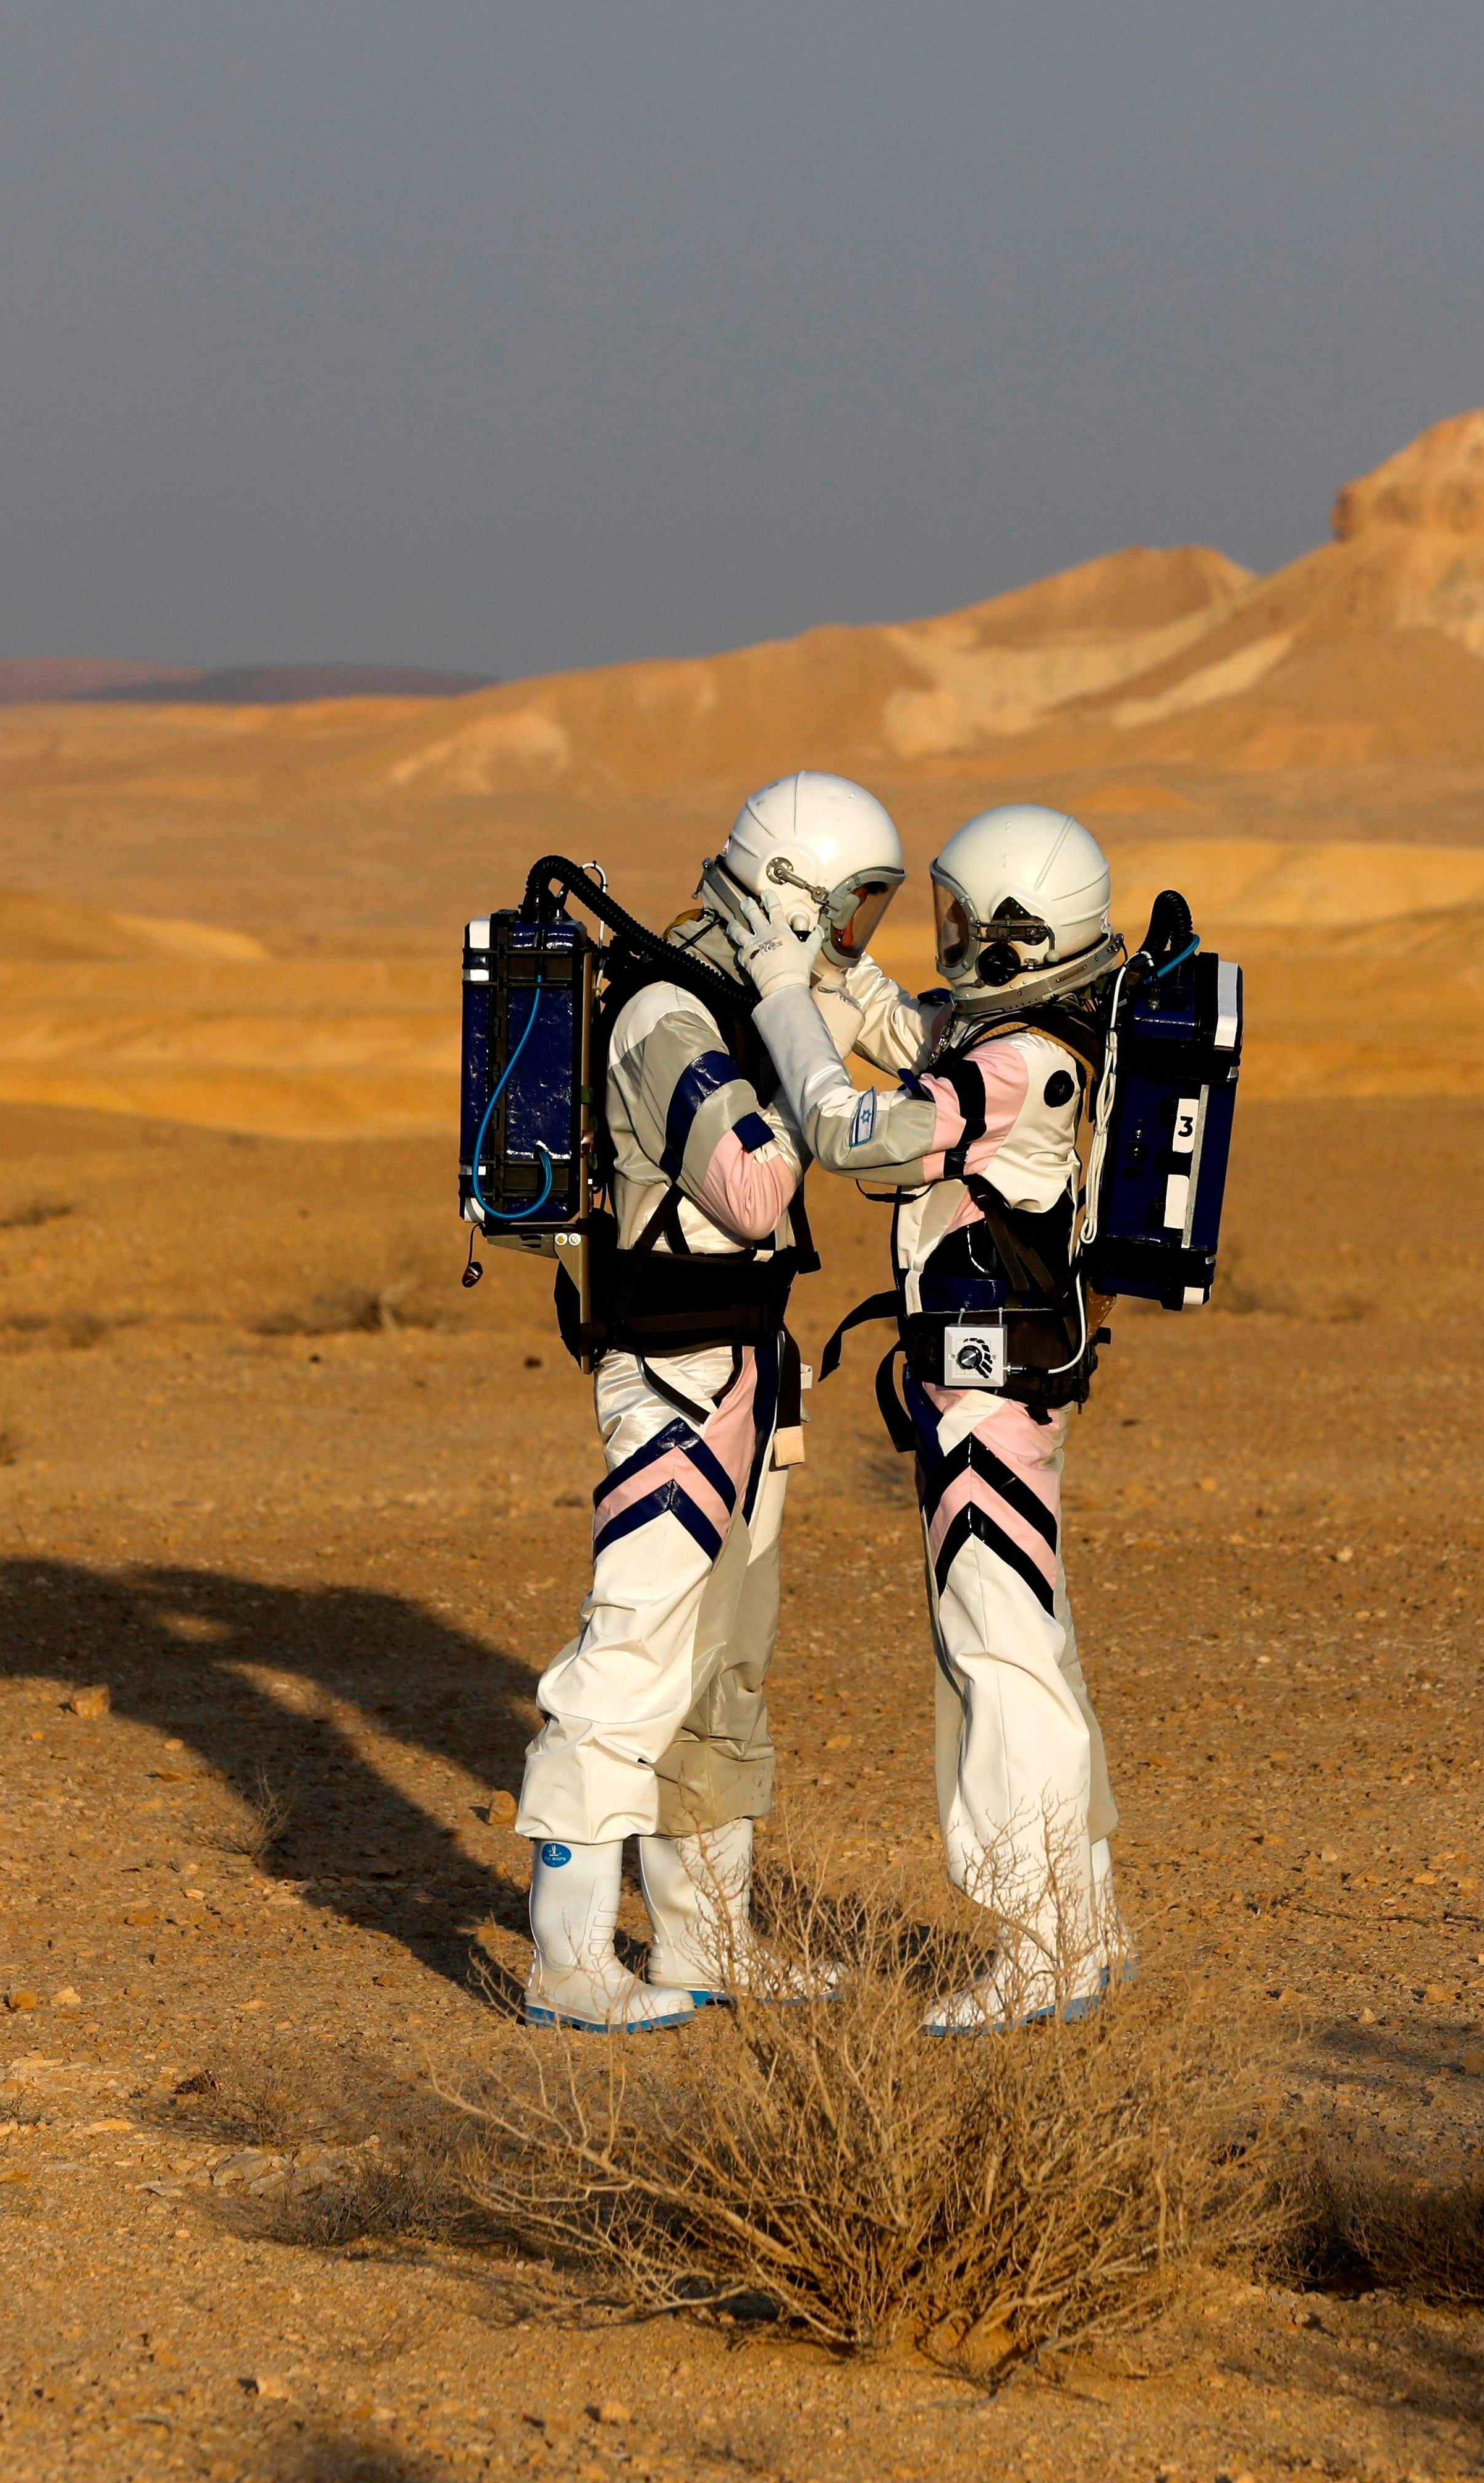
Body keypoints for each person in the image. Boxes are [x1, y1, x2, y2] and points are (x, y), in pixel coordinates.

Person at [721, 801, 1131, 2032]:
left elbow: (861, 1131)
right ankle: (1083, 1924)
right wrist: (838, 967)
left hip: (991, 1389)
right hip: (994, 1376)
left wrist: (786, 993)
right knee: (1025, 1639)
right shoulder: (1022, 1035)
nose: (947, 934)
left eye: (962, 917)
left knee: (998, 1652)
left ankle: (1043, 1940)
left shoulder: (1019, 1065)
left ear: (1016, 933)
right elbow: (915, 1032)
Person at [513, 771, 908, 2031]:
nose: (855, 940)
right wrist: (803, 1035)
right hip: (673, 1378)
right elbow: (747, 1185)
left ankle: (707, 1938)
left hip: (748, 1365)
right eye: (847, 914)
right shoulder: (666, 1015)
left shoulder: (746, 1004)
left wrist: (828, 1007)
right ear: (789, 895)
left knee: (723, 1665)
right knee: (631, 1654)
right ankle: (567, 1959)